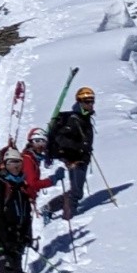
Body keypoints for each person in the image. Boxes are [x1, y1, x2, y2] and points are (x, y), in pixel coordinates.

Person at [48, 86, 96, 219]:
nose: (90, 104)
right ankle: (66, 213)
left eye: (92, 101)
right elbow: (61, 138)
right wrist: (80, 146)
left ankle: (57, 209)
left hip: (80, 158)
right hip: (75, 159)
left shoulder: (84, 117)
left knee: (76, 191)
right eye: (87, 101)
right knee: (76, 192)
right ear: (79, 102)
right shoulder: (74, 119)